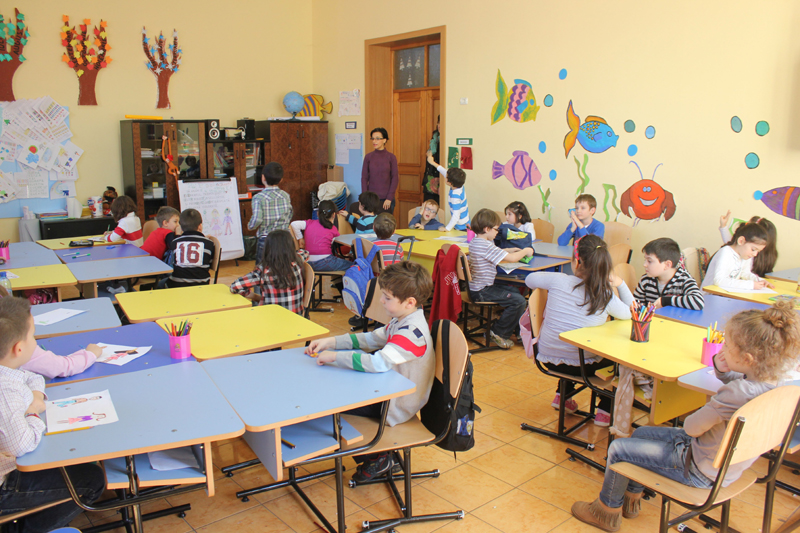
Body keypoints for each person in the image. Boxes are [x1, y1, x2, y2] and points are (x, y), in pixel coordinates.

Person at [571, 301, 800, 531]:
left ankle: (606, 512)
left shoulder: (735, 394)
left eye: (728, 346)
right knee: (641, 433)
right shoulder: (777, 385)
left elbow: (691, 427)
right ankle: (631, 500)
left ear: (747, 359)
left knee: (618, 449)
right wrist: (723, 371)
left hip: (697, 469)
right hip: (725, 466)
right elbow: (743, 386)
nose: (722, 348)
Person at [305, 261, 435, 481]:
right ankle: (375, 453)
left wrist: (336, 357)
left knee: (332, 401)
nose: (381, 301)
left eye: (387, 297)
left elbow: (378, 363)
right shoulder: (403, 319)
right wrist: (332, 342)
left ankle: (379, 457)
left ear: (409, 302)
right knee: (338, 388)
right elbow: (373, 338)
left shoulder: (412, 333)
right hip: (388, 389)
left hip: (395, 405)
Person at [0, 297, 106, 530]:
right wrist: (33, 412)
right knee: (92, 479)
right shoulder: (5, 390)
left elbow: (31, 376)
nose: (35, 341)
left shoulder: (8, 370)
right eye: (32, 336)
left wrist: (37, 396)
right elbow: (20, 445)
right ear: (19, 348)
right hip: (4, 484)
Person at [525, 235, 634, 426]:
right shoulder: (604, 294)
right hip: (585, 366)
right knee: (618, 358)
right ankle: (605, 409)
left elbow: (529, 279)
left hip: (547, 357)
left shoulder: (558, 280)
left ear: (577, 262)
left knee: (571, 342)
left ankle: (563, 395)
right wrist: (621, 283)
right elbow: (631, 312)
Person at [468, 209, 534, 349]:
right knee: (519, 301)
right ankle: (498, 332)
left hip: (478, 288)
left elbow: (494, 252)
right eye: (496, 229)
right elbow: (513, 259)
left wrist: (508, 250)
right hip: (482, 291)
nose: (497, 232)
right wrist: (526, 251)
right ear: (487, 229)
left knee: (517, 292)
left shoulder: (476, 242)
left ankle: (518, 331)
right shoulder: (485, 245)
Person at [230, 230, 305, 315]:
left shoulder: (263, 271)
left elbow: (234, 287)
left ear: (268, 248)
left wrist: (257, 297)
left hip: (270, 318)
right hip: (296, 318)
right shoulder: (297, 262)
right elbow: (305, 253)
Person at [634, 237, 704, 310]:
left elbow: (698, 302)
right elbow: (635, 307)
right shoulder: (645, 280)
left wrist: (665, 301)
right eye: (645, 260)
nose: (644, 264)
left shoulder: (684, 279)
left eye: (649, 261)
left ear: (667, 265)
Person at [702, 221, 774, 290]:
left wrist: (759, 280)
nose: (755, 254)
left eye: (758, 251)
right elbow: (719, 281)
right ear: (741, 241)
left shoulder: (745, 255)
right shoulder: (725, 252)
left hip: (725, 294)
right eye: (753, 249)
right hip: (709, 295)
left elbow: (745, 274)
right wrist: (750, 285)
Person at [290, 200, 353, 273]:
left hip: (308, 262)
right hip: (326, 263)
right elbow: (336, 243)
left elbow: (294, 224)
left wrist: (300, 238)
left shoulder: (309, 223)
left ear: (317, 214)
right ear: (334, 215)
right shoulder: (333, 229)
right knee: (352, 265)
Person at [249, 162, 292, 264]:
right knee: (283, 267)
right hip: (284, 239)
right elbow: (290, 214)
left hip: (266, 240)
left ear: (263, 177)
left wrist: (251, 226)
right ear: (281, 180)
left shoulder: (258, 197)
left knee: (263, 268)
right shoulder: (286, 196)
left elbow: (257, 219)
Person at [163, 209, 216, 288]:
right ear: (200, 226)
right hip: (201, 286)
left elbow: (173, 263)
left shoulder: (175, 242)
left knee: (160, 283)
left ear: (181, 227)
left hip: (177, 286)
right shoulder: (209, 243)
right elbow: (210, 262)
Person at [719, 211, 778, 277]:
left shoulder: (747, 254)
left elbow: (732, 244)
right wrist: (723, 226)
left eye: (747, 225)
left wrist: (723, 227)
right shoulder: (771, 255)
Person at [426, 153, 469, 232]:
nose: (445, 176)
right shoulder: (459, 184)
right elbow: (445, 172)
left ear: (450, 183)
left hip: (462, 227)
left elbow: (456, 216)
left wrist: (447, 228)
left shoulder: (455, 197)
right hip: (463, 224)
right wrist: (432, 162)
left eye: (446, 177)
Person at [361, 127, 399, 213]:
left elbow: (395, 178)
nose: (374, 141)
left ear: (384, 140)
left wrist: (389, 198)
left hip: (386, 200)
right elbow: (364, 178)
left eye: (377, 139)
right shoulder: (368, 157)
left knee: (385, 221)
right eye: (373, 138)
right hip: (371, 199)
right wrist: (365, 197)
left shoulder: (391, 157)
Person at [422, 115, 440, 203]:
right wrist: (424, 182)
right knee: (427, 205)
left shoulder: (446, 141)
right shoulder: (434, 140)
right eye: (439, 123)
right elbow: (428, 163)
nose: (440, 125)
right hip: (429, 181)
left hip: (440, 181)